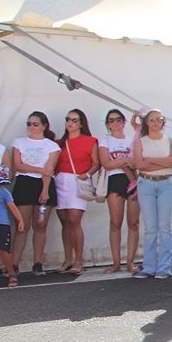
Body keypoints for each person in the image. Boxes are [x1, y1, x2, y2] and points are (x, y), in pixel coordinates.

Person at [132, 109, 172, 279]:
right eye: (152, 119)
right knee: (150, 228)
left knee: (164, 227)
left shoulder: (171, 141)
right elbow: (138, 163)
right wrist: (162, 162)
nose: (155, 122)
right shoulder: (140, 142)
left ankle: (164, 267)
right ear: (146, 122)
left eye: (159, 119)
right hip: (146, 183)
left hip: (167, 183)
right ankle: (149, 266)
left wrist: (150, 160)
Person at [10, 111, 60, 277]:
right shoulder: (19, 142)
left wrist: (45, 190)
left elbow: (50, 169)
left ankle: (37, 263)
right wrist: (39, 169)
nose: (31, 127)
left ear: (44, 126)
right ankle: (14, 264)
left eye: (35, 124)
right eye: (29, 123)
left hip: (43, 184)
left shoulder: (52, 146)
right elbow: (18, 165)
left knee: (40, 225)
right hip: (24, 183)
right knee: (21, 225)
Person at [54, 108, 100, 275]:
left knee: (74, 219)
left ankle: (78, 260)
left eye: (74, 120)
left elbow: (96, 163)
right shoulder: (59, 142)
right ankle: (67, 259)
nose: (70, 123)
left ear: (81, 123)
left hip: (78, 180)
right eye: (68, 119)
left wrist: (86, 174)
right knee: (64, 221)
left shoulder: (90, 141)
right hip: (60, 180)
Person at [98, 108, 140, 273]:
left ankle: (130, 262)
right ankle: (116, 262)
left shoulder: (132, 141)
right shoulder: (105, 140)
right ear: (107, 124)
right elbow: (106, 163)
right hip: (114, 180)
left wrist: (121, 161)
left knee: (133, 223)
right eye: (110, 120)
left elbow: (136, 163)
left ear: (123, 121)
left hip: (133, 181)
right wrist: (124, 160)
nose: (114, 123)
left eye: (117, 119)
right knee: (115, 222)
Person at [0, 171, 25, 287]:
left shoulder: (4, 192)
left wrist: (20, 220)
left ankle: (11, 274)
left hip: (2, 224)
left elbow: (13, 208)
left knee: (3, 250)